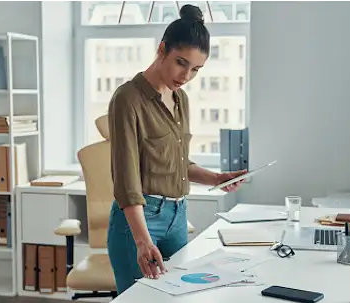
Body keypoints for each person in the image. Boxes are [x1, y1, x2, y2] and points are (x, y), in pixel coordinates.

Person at [107, 4, 247, 295]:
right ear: (162, 50)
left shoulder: (180, 99)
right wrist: (143, 241)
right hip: (141, 222)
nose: (186, 76)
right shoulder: (128, 99)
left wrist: (216, 178)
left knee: (183, 298)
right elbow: (126, 179)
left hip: (178, 217)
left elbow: (175, 163)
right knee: (139, 301)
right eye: (181, 63)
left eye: (196, 69)